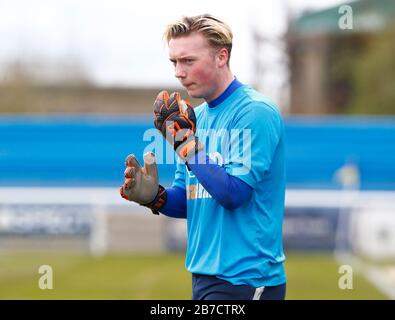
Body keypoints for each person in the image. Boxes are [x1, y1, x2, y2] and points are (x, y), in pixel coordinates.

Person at [120, 14, 286, 300]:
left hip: (246, 279)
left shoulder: (254, 112)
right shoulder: (196, 118)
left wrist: (187, 145)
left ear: (222, 56)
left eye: (188, 61)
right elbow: (190, 199)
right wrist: (154, 197)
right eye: (174, 62)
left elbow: (234, 195)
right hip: (206, 278)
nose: (178, 72)